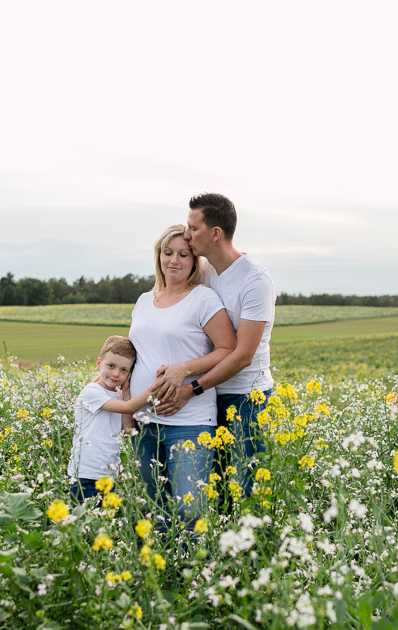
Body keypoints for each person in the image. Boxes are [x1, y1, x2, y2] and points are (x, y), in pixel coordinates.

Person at [153, 193, 275, 496]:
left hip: (247, 398)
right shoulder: (205, 271)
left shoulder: (255, 280)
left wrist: (190, 388)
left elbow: (242, 355)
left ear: (215, 234)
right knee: (215, 492)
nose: (186, 234)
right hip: (209, 397)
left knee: (248, 492)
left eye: (193, 228)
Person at [129, 224, 236, 525]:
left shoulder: (203, 298)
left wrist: (183, 370)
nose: (173, 260)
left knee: (190, 509)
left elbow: (227, 348)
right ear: (158, 256)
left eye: (183, 254)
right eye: (167, 253)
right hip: (145, 420)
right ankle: (163, 570)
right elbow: (137, 353)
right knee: (155, 508)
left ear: (194, 261)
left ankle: (197, 570)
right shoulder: (143, 300)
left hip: (189, 420)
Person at [67, 335, 153, 503]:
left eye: (123, 370)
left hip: (107, 475)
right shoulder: (92, 392)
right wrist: (157, 388)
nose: (115, 374)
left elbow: (128, 429)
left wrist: (126, 393)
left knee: (104, 524)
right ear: (99, 363)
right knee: (88, 524)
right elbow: (129, 408)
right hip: (85, 474)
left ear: (129, 374)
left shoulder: (118, 396)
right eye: (111, 366)